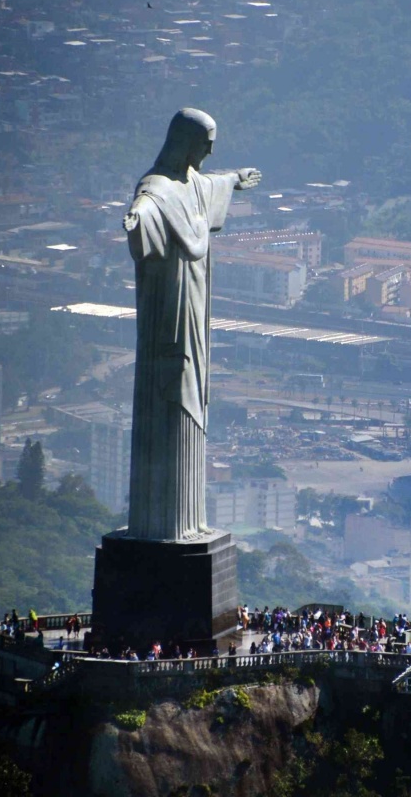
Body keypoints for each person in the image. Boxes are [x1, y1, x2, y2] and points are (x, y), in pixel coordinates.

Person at [122, 108, 261, 540]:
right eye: (205, 144)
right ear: (184, 141)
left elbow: (208, 184)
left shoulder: (193, 183)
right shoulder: (158, 189)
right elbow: (145, 208)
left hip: (196, 310)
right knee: (172, 392)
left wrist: (234, 178)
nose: (210, 152)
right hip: (169, 314)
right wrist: (136, 221)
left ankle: (188, 521)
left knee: (194, 398)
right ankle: (163, 524)